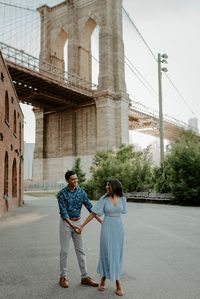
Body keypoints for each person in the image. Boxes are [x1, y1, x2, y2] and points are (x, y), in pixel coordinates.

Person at [79, 178, 127, 296]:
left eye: (108, 185)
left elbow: (123, 211)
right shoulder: (104, 199)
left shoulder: (123, 198)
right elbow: (94, 213)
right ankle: (103, 278)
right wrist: (82, 225)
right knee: (106, 252)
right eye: (106, 185)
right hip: (107, 227)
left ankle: (117, 282)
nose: (106, 187)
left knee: (116, 254)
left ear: (114, 186)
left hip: (118, 228)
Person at [57, 170, 102, 288]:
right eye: (73, 179)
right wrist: (74, 226)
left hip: (78, 222)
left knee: (81, 250)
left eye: (76, 179)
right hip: (66, 223)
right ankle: (63, 276)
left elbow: (90, 208)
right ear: (67, 180)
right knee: (64, 251)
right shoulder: (61, 194)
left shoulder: (81, 193)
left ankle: (85, 277)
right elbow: (63, 213)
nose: (75, 181)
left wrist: (102, 221)